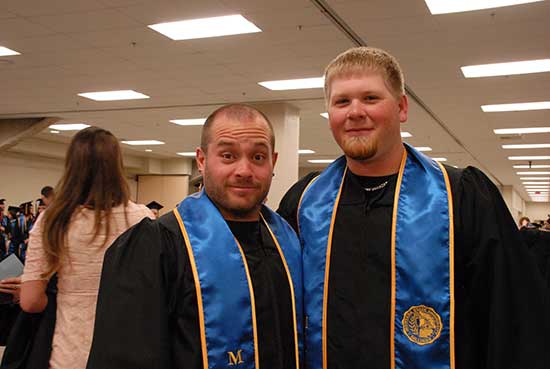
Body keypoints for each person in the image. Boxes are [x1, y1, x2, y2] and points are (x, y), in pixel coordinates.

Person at [277, 47, 549, 369]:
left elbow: (512, 322)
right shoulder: (303, 203)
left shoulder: (460, 197)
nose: (355, 112)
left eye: (371, 98)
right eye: (342, 101)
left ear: (402, 107)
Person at [87, 104, 302, 369]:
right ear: (201, 160)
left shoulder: (287, 242)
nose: (244, 171)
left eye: (258, 157)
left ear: (273, 162)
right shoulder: (157, 246)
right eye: (228, 156)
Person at [18, 127, 154, 369]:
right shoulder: (141, 217)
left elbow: (31, 302)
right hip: (126, 349)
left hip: (70, 353)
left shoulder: (53, 219)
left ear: (71, 167)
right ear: (117, 166)